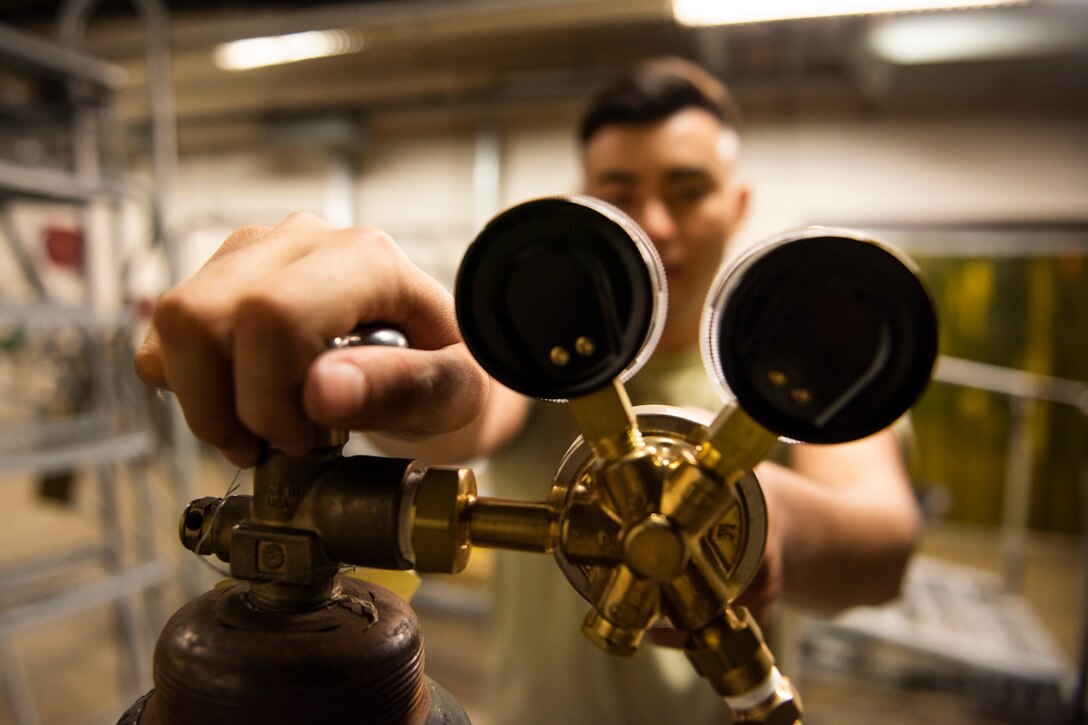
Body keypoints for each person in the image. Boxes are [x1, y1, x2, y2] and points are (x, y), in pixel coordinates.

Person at [136, 57, 920, 724]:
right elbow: (475, 402)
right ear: (586, 200)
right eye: (622, 189)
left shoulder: (802, 360)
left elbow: (883, 544)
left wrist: (756, 519)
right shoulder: (551, 349)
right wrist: (421, 381)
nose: (656, 221)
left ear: (737, 203)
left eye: (687, 189)